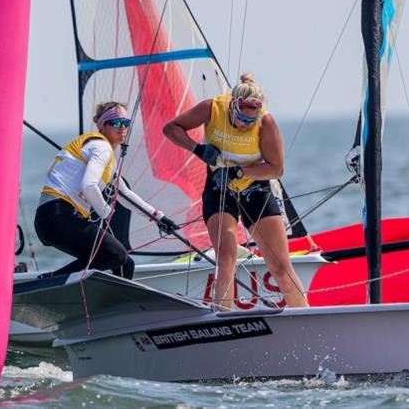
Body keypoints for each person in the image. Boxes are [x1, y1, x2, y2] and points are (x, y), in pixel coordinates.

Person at [163, 73, 309, 310]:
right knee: (227, 261)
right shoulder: (212, 108)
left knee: (281, 267)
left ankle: (308, 321)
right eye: (241, 118)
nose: (245, 125)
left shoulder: (266, 122)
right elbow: (171, 129)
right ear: (233, 105)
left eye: (250, 122)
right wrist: (197, 149)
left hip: (255, 190)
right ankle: (222, 319)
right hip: (219, 190)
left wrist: (239, 172)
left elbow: (277, 169)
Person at [35, 101, 177, 279]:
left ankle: (118, 303)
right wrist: (104, 211)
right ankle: (50, 281)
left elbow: (125, 194)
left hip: (53, 220)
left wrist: (159, 217)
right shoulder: (101, 147)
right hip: (57, 216)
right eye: (116, 123)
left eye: (126, 123)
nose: (122, 128)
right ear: (104, 125)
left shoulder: (103, 153)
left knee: (125, 263)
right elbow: (89, 185)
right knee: (116, 254)